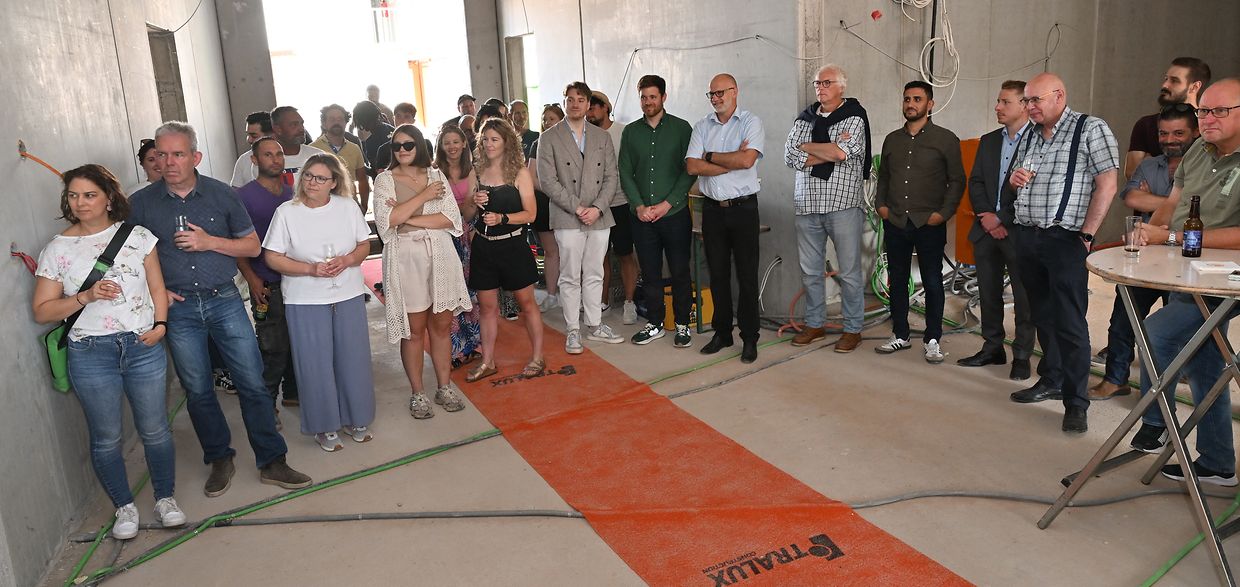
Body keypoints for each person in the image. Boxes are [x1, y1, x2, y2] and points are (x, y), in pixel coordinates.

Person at [129, 121, 312, 496]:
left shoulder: (222, 195)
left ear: (195, 157)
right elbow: (129, 258)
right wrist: (156, 293)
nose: (169, 162)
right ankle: (219, 458)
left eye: (178, 154)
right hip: (179, 309)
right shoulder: (142, 204)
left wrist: (209, 242)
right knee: (198, 390)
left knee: (252, 383)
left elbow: (252, 246)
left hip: (224, 300)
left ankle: (272, 461)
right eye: (162, 154)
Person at [32, 164, 185, 539]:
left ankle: (165, 499)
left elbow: (157, 287)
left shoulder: (138, 237)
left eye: (90, 195)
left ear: (109, 198)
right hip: (90, 351)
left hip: (141, 345)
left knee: (155, 429)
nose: (80, 203)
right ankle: (124, 507)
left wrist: (160, 326)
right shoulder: (57, 249)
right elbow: (42, 311)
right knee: (106, 437)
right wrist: (84, 296)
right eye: (73, 195)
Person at [1130, 78, 1240, 487]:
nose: (1208, 119)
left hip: (1227, 279)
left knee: (1158, 332)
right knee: (1205, 359)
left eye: (1219, 111)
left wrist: (1174, 237)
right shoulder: (1198, 150)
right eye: (1203, 111)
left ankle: (1156, 421)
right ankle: (1217, 463)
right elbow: (1171, 207)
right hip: (1185, 270)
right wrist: (1150, 236)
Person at [1007, 73, 1119, 434]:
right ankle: (1051, 378)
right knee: (1041, 314)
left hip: (1065, 239)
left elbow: (1107, 184)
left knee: (1070, 322)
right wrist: (1014, 180)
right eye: (1026, 101)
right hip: (1028, 236)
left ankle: (1076, 402)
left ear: (1059, 95)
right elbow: (1016, 180)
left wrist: (1087, 234)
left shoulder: (1090, 129)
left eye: (1035, 100)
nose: (1029, 107)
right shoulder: (1029, 134)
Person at [263, 154, 376, 450]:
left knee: (353, 358)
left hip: (348, 293)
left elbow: (364, 244)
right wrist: (309, 269)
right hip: (304, 298)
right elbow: (272, 257)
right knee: (315, 363)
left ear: (334, 183)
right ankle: (324, 426)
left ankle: (356, 417)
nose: (312, 182)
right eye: (308, 175)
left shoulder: (347, 207)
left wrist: (347, 260)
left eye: (320, 178)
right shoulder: (286, 212)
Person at [1088, 105, 1198, 401]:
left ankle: (1161, 394)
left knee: (1172, 331)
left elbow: (1203, 212)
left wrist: (1155, 201)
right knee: (1122, 320)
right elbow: (1131, 197)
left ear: (1196, 132)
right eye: (1164, 133)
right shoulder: (1149, 166)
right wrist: (1178, 204)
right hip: (1146, 256)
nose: (1169, 140)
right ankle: (1115, 380)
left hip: (1186, 261)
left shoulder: (1204, 170)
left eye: (1178, 133)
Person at [373, 125, 473, 417]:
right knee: (414, 331)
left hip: (440, 256)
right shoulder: (385, 180)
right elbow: (386, 222)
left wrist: (407, 217)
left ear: (419, 145)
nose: (402, 150)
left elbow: (450, 219)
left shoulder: (436, 175)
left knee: (441, 327)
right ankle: (417, 393)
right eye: (396, 146)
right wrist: (424, 197)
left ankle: (444, 387)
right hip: (406, 260)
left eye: (408, 145)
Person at [874, 81, 966, 363]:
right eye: (907, 99)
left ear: (930, 104)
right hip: (896, 220)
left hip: (929, 222)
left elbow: (957, 180)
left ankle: (932, 339)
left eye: (917, 99)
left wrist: (943, 214)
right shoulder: (892, 139)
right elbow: (884, 177)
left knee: (933, 281)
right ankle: (900, 334)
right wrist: (881, 206)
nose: (910, 104)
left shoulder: (945, 139)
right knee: (898, 279)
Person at [783, 64, 871, 353]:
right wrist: (828, 149)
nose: (820, 88)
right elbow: (790, 156)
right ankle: (815, 324)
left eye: (827, 82)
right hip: (807, 205)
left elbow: (841, 153)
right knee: (810, 271)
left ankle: (853, 329)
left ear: (842, 86)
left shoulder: (854, 117)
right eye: (817, 83)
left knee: (849, 272)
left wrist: (808, 147)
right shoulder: (804, 118)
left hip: (842, 205)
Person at [957, 80, 1037, 380]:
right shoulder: (989, 141)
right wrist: (987, 218)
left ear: (1024, 105)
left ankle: (1022, 355)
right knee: (988, 293)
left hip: (1020, 232)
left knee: (1024, 298)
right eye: (998, 101)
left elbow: (1033, 191)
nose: (997, 107)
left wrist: (1001, 219)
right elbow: (976, 181)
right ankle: (992, 347)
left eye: (1005, 102)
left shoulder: (1039, 141)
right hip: (986, 230)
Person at [538, 81, 626, 354]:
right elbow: (547, 181)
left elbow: (611, 176)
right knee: (570, 274)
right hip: (567, 216)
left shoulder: (602, 137)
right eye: (570, 99)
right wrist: (577, 208)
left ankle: (595, 324)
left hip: (599, 215)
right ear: (564, 102)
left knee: (595, 271)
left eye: (580, 99)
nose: (575, 104)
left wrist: (597, 208)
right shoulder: (549, 138)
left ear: (588, 104)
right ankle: (573, 330)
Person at [685, 73, 765, 364]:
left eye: (721, 92)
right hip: (712, 210)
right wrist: (729, 161)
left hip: (743, 209)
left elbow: (747, 160)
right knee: (717, 274)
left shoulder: (750, 122)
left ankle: (750, 337)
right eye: (712, 94)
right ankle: (722, 333)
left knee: (747, 276)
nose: (716, 98)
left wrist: (709, 156)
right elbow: (692, 167)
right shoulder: (701, 126)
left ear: (735, 91)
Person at [466, 118, 545, 381]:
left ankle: (538, 357)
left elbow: (531, 214)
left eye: (494, 139)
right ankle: (488, 361)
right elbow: (467, 214)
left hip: (513, 246)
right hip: (483, 247)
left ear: (506, 142)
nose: (489, 144)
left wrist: (503, 218)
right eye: (485, 139)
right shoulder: (476, 172)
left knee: (527, 304)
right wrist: (473, 201)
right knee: (487, 307)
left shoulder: (519, 173)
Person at [619, 74, 695, 347]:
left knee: (680, 271)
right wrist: (639, 206)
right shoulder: (631, 132)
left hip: (674, 215)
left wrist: (667, 203)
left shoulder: (682, 129)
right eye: (643, 97)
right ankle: (655, 323)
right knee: (650, 273)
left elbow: (689, 171)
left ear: (663, 97)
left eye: (653, 96)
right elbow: (625, 171)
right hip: (642, 218)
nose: (648, 102)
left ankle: (683, 324)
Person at [235, 137, 299, 408]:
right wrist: (251, 278)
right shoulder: (243, 196)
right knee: (273, 346)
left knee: (297, 341)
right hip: (265, 282)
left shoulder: (293, 193)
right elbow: (238, 241)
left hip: (296, 279)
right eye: (268, 155)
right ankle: (266, 404)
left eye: (279, 154)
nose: (275, 159)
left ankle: (294, 393)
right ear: (254, 160)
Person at [434, 125, 483, 368]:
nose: (452, 147)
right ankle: (454, 349)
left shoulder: (472, 170)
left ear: (464, 144)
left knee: (469, 287)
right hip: (442, 234)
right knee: (448, 291)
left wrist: (462, 213)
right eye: (447, 142)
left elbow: (471, 209)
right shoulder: (434, 172)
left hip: (466, 233)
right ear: (441, 146)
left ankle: (473, 343)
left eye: (456, 142)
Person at [589, 90, 639, 324]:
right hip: (596, 206)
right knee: (600, 257)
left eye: (593, 107)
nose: (589, 112)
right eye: (587, 109)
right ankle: (603, 302)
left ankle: (629, 303)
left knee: (625, 254)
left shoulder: (623, 132)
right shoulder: (586, 135)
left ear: (605, 108)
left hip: (621, 202)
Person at [1123, 57, 1211, 181]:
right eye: (1166, 79)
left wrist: (1150, 164)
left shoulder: (1208, 124)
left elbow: (1209, 174)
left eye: (1174, 81)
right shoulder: (1146, 124)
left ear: (1195, 87)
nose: (1165, 85)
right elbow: (1132, 173)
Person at [231, 106, 324, 188]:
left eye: (301, 124)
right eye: (294, 125)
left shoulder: (319, 156)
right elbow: (235, 196)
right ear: (278, 129)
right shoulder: (248, 159)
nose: (301, 129)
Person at [529, 104, 566, 313]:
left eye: (552, 118)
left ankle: (572, 295)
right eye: (545, 119)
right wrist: (554, 191)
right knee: (551, 251)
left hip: (568, 204)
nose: (547, 122)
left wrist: (564, 195)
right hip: (545, 203)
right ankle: (551, 295)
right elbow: (531, 176)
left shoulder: (571, 141)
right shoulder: (537, 143)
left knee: (570, 250)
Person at [310, 104, 371, 212]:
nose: (336, 122)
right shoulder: (312, 149)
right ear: (324, 124)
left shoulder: (354, 148)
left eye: (340, 119)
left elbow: (362, 179)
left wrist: (364, 206)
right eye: (332, 119)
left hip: (350, 207)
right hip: (321, 208)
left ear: (346, 122)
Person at [354, 100, 395, 178]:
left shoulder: (371, 142)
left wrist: (358, 165)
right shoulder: (391, 128)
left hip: (386, 181)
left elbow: (376, 171)